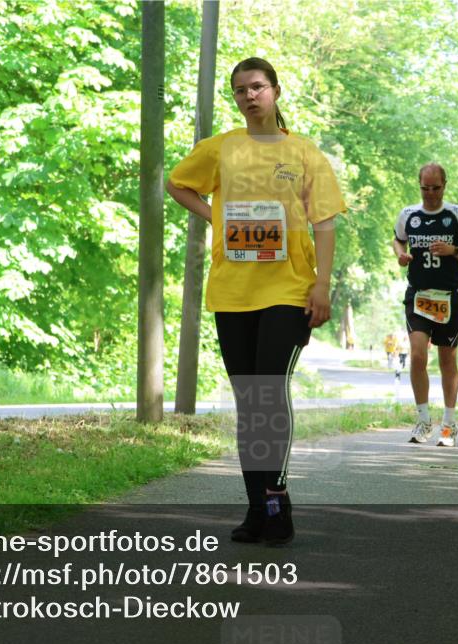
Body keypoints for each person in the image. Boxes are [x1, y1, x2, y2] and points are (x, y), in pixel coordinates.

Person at [166, 57, 346, 544]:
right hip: (232, 291)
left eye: (259, 87)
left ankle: (276, 502)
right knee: (249, 401)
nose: (251, 95)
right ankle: (255, 509)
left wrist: (321, 285)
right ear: (236, 97)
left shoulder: (304, 152)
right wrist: (214, 216)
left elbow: (325, 223)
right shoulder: (221, 148)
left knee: (268, 391)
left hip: (288, 290)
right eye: (242, 89)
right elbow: (177, 183)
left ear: (276, 92)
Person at [392, 162, 458, 446]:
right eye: (425, 188)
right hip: (418, 296)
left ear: (445, 185)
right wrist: (401, 255)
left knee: (447, 359)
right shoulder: (409, 214)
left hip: (448, 297)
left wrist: (452, 250)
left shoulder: (456, 215)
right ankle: (422, 420)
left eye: (436, 188)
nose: (430, 194)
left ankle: (448, 424)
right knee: (417, 355)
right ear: (419, 186)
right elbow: (397, 241)